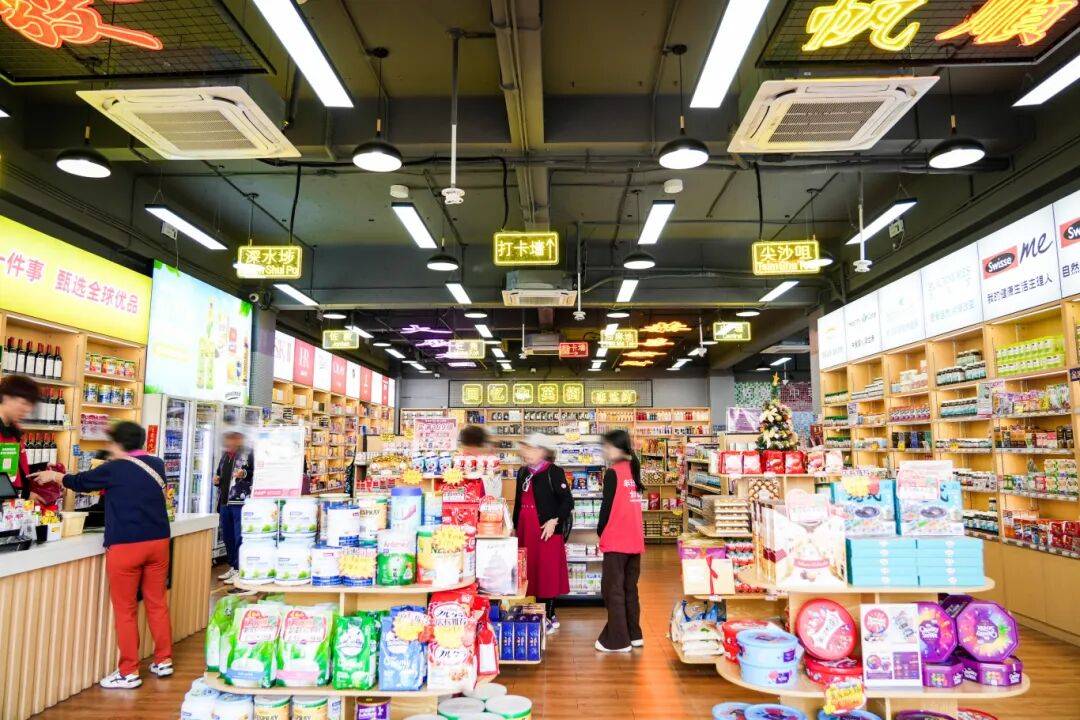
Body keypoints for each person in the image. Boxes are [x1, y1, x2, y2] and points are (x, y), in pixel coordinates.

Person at [31, 421, 173, 689]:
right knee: (157, 603)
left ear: (117, 443)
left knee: (125, 609)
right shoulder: (157, 464)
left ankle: (129, 672)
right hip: (159, 542)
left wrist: (54, 476)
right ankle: (163, 659)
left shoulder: (114, 468)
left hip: (126, 545)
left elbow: (80, 482)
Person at [512, 433, 573, 632]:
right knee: (529, 570)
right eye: (525, 449)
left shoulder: (553, 472)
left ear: (542, 451)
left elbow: (567, 501)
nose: (525, 453)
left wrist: (554, 521)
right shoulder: (523, 472)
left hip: (546, 531)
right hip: (525, 530)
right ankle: (535, 612)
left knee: (547, 573)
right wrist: (513, 527)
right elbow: (518, 502)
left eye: (530, 448)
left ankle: (550, 614)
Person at [594, 429, 646, 653]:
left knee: (612, 590)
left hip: (617, 540)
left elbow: (606, 508)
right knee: (629, 589)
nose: (605, 451)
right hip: (634, 540)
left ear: (617, 448)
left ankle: (618, 640)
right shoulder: (634, 469)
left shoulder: (613, 473)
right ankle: (634, 634)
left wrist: (600, 530)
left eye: (607, 447)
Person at [0, 374, 59, 506]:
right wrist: (24, 494)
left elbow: (12, 468)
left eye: (30, 404)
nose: (28, 409)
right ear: (6, 397)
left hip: (12, 508)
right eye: (23, 403)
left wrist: (41, 468)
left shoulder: (14, 430)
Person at [214, 428, 255, 583]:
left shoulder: (248, 454)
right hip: (225, 501)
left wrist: (244, 474)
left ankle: (240, 568)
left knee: (239, 536)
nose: (229, 441)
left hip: (240, 502)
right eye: (228, 439)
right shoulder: (225, 456)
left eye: (233, 438)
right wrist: (217, 480)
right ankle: (233, 565)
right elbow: (220, 473)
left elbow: (255, 473)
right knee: (228, 536)